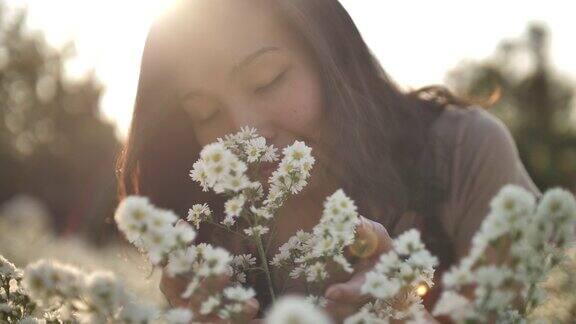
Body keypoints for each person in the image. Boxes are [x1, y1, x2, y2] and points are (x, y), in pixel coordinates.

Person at [116, 0, 541, 322]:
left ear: (330, 58)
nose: (242, 134)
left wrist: (402, 309)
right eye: (205, 113)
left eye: (268, 81)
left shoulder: (463, 153)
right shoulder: (212, 235)